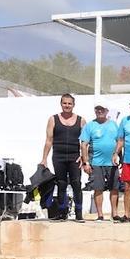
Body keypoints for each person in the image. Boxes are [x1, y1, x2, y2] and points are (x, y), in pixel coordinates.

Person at [41, 93, 87, 221]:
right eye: (64, 103)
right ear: (61, 104)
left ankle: (78, 214)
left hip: (74, 157)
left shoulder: (81, 120)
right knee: (61, 184)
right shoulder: (53, 119)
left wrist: (84, 158)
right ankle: (62, 213)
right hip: (58, 156)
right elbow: (48, 140)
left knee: (76, 184)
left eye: (69, 103)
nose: (67, 106)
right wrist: (44, 159)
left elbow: (86, 142)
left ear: (73, 105)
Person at [79, 102, 121, 221]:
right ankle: (100, 214)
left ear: (107, 111)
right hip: (96, 162)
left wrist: (118, 156)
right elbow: (84, 144)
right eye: (97, 109)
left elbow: (119, 141)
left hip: (112, 163)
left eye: (102, 109)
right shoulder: (90, 125)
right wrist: (86, 162)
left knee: (114, 188)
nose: (99, 111)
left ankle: (115, 213)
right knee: (98, 188)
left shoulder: (114, 125)